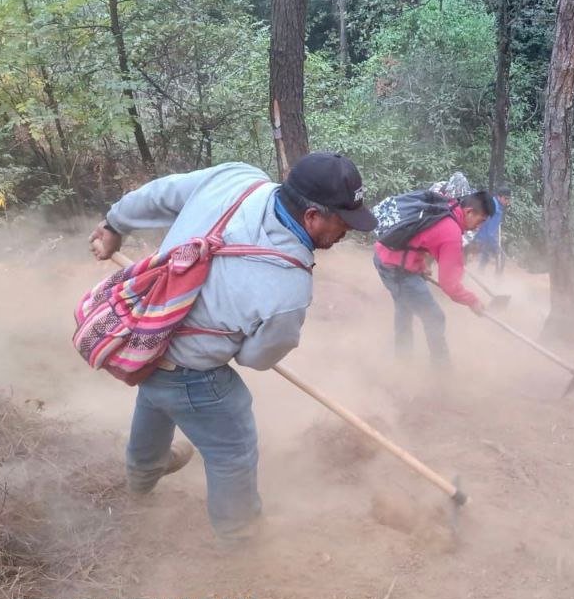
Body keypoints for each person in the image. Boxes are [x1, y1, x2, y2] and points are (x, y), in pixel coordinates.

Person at [88, 153, 376, 545]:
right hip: (188, 372)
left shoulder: (237, 179)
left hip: (141, 342)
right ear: (312, 216)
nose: (349, 231)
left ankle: (142, 475)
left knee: (156, 396)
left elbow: (160, 194)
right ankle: (241, 539)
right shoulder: (289, 288)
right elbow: (255, 358)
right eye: (344, 220)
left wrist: (113, 224)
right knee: (233, 451)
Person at [372, 189, 494, 363]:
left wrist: (419, 265)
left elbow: (421, 236)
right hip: (395, 269)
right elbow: (449, 285)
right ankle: (441, 371)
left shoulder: (448, 205)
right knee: (435, 317)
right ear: (468, 212)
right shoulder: (451, 233)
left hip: (383, 255)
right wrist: (472, 301)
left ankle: (402, 360)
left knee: (404, 307)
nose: (478, 227)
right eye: (480, 220)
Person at [471, 183, 510, 272]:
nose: (507, 201)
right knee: (501, 256)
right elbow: (490, 233)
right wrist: (496, 246)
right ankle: (497, 281)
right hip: (482, 238)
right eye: (505, 198)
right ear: (499, 197)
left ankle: (480, 272)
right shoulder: (496, 210)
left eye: (508, 199)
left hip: (478, 236)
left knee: (486, 254)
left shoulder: (492, 202)